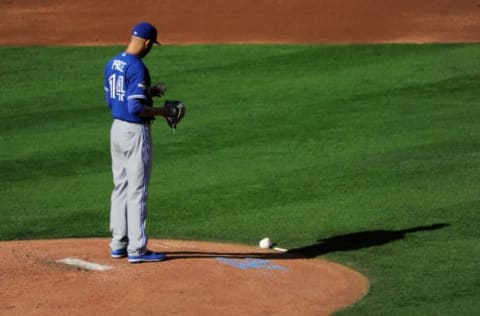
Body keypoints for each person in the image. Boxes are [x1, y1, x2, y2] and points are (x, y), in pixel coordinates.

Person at [104, 22, 170, 263]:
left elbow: (114, 100)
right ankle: (137, 249)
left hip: (116, 130)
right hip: (135, 133)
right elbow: (135, 107)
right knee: (137, 190)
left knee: (120, 186)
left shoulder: (113, 63)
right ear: (148, 43)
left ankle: (118, 243)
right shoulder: (139, 68)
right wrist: (162, 112)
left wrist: (149, 91)